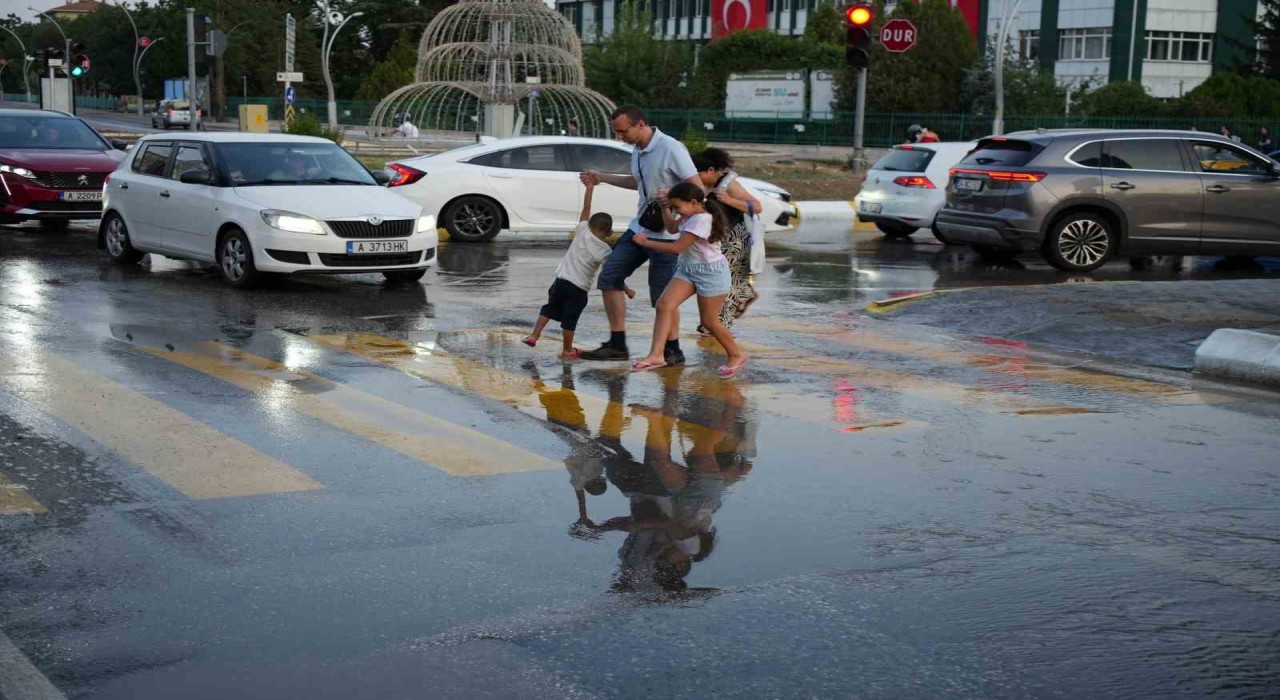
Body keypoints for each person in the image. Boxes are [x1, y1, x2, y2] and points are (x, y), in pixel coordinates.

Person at [578, 105, 702, 363]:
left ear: (641, 124)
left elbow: (697, 187)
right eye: (618, 133)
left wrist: (671, 198)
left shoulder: (671, 148)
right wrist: (603, 178)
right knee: (610, 277)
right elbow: (639, 181)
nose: (620, 137)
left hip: (666, 235)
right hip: (640, 227)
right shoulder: (637, 150)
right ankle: (617, 344)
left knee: (663, 298)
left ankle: (672, 349)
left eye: (623, 132)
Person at [630, 182, 748, 379]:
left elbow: (677, 247)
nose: (677, 212)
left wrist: (646, 242)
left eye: (678, 207)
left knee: (709, 321)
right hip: (688, 270)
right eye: (674, 208)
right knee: (664, 305)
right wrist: (665, 208)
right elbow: (671, 227)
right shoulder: (689, 215)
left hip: (711, 273)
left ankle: (736, 355)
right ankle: (656, 355)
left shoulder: (701, 219)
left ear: (693, 202)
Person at [523, 181, 634, 358]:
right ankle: (567, 349)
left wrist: (589, 188)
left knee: (549, 309)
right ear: (609, 232)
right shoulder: (605, 251)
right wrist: (627, 290)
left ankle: (534, 335)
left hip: (560, 281)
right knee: (570, 319)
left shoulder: (583, 230)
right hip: (578, 288)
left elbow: (586, 207)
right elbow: (613, 274)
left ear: (590, 225)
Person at [692, 149, 761, 334]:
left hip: (736, 238)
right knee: (722, 278)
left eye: (698, 172)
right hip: (719, 239)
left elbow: (757, 206)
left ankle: (719, 324)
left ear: (711, 170)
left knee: (725, 282)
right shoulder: (707, 185)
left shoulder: (728, 185)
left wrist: (729, 200)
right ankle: (743, 295)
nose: (695, 177)